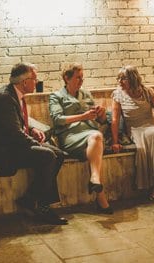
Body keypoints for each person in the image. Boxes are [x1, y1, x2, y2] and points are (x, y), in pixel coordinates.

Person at [0, 62, 68, 225]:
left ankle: (30, 199)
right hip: (0, 152)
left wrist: (32, 129)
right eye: (35, 78)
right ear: (24, 82)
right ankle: (43, 207)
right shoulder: (5, 98)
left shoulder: (13, 94)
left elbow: (15, 123)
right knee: (48, 155)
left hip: (12, 146)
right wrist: (37, 144)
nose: (37, 82)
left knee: (59, 154)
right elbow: (14, 134)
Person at [48, 63, 112, 214]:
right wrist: (82, 116)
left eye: (82, 78)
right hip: (70, 137)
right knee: (97, 139)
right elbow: (57, 120)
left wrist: (101, 113)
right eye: (77, 78)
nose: (81, 81)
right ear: (66, 78)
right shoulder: (56, 97)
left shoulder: (86, 94)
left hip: (91, 135)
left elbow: (101, 121)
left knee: (96, 137)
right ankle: (100, 195)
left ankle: (95, 182)